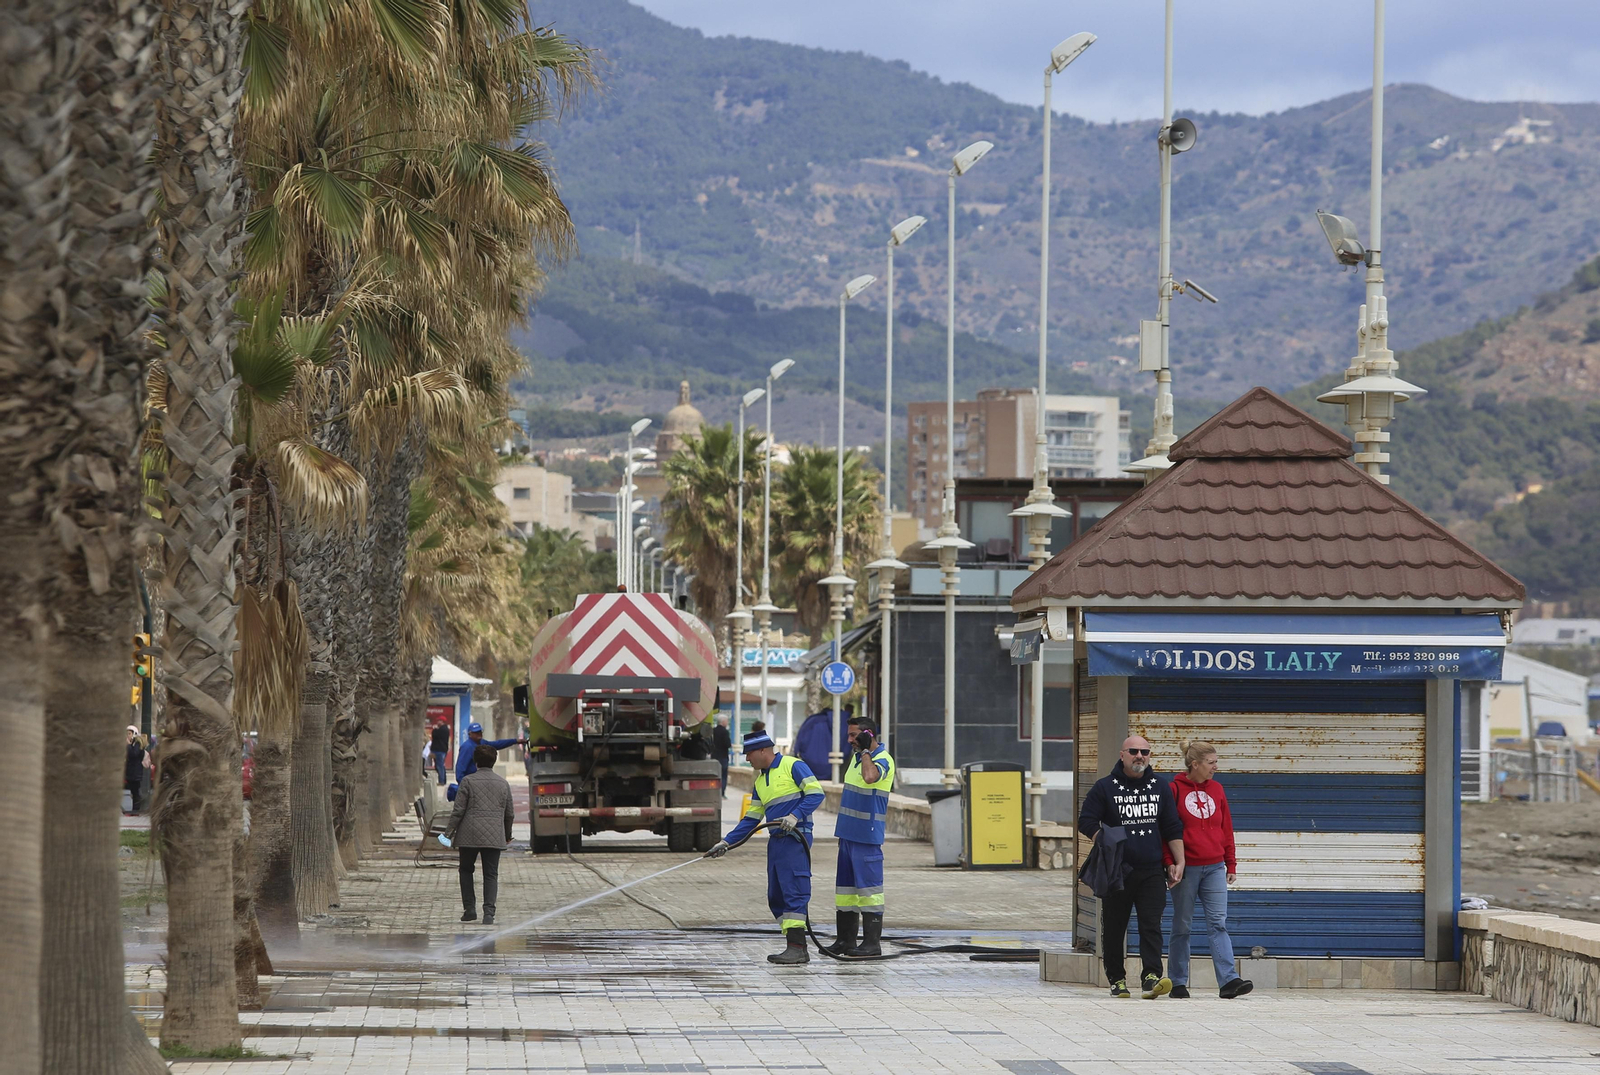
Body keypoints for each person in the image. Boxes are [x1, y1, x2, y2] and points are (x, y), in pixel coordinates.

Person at [1078, 734, 1185, 1000]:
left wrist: (1179, 861)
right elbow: (1086, 820)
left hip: (1151, 870)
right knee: (1115, 926)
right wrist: (1104, 840)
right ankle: (1116, 979)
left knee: (1151, 924)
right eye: (1134, 751)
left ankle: (1151, 977)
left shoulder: (1160, 787)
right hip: (1117, 870)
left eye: (1145, 752)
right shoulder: (1105, 787)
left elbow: (1172, 826)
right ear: (1122, 754)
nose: (1140, 756)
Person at [704, 731, 824, 964]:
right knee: (775, 895)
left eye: (748, 753)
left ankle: (797, 947)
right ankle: (794, 941)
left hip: (795, 838)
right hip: (777, 840)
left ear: (762, 750)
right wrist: (726, 842)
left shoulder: (793, 765)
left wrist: (795, 815)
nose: (747, 759)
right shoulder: (760, 781)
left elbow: (816, 793)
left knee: (794, 891)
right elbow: (751, 819)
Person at [1167, 741, 1252, 1000]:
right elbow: (1167, 829)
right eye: (1211, 762)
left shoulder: (1217, 789)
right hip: (1187, 868)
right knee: (1182, 925)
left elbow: (1226, 827)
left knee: (1218, 923)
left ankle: (1229, 981)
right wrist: (1169, 862)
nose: (1216, 767)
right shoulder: (1174, 789)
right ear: (1195, 764)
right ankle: (1178, 982)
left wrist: (1231, 862)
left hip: (1215, 866)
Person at [821, 717, 894, 957]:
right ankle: (845, 941)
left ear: (868, 735)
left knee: (870, 893)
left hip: (867, 836)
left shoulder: (881, 759)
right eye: (850, 735)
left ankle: (872, 944)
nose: (849, 740)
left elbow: (871, 777)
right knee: (846, 893)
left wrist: (865, 750)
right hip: (848, 836)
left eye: (854, 736)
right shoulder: (855, 759)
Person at [444, 743, 515, 925]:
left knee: (466, 870)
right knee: (491, 874)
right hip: (494, 835)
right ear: (494, 761)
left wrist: (448, 833)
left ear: (475, 761)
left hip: (469, 834)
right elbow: (509, 814)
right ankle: (489, 913)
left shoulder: (467, 781)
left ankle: (469, 910)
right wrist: (507, 834)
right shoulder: (503, 784)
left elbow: (458, 810)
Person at [454, 721, 526, 782]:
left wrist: (515, 741)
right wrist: (462, 785)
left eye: (480, 732)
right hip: (471, 781)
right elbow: (460, 767)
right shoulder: (467, 747)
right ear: (470, 734)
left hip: (480, 780)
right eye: (476, 732)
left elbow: (497, 744)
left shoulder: (482, 743)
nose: (479, 734)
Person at [124, 726, 146, 814]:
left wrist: (128, 745)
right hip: (131, 771)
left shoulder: (137, 743)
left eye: (129, 734)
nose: (128, 736)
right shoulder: (133, 743)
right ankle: (134, 809)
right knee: (133, 791)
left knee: (135, 792)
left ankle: (136, 810)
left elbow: (134, 754)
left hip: (135, 772)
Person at [712, 715, 733, 797]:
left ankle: (714, 792)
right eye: (727, 721)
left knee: (715, 775)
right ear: (723, 722)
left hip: (714, 756)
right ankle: (722, 793)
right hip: (723, 756)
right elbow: (727, 744)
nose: (727, 723)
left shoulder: (713, 731)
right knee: (723, 775)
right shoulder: (725, 732)